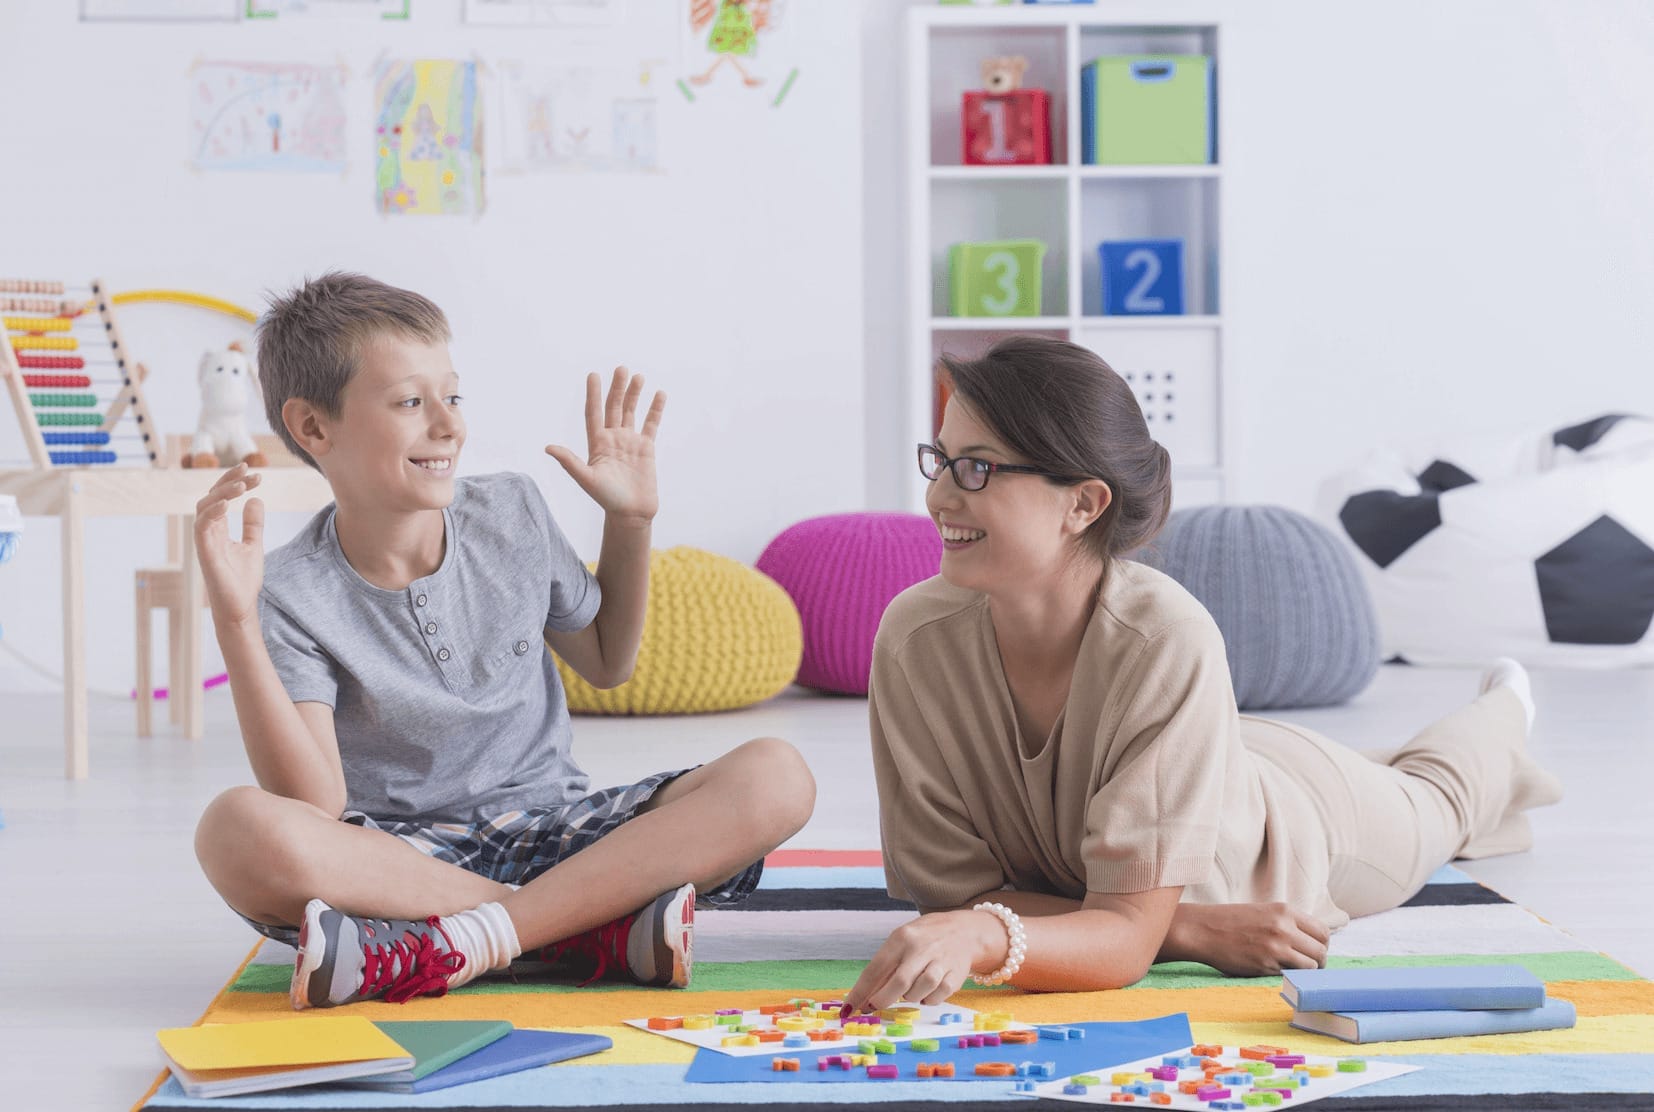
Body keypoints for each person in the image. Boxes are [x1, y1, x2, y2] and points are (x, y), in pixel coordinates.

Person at [842, 335, 1561, 1013]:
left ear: (1083, 503)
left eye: (977, 468)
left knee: (1441, 797)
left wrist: (1008, 934)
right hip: (1212, 760)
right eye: (941, 460)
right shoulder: (914, 639)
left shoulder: (1165, 638)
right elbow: (955, 899)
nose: (939, 498)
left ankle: (1506, 708)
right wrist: (1183, 929)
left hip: (1295, 823)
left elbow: (1104, 939)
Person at [191, 272, 815, 1009]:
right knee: (234, 829)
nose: (449, 426)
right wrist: (236, 624)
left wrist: (631, 522)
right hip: (400, 864)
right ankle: (580, 927)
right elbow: (315, 803)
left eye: (453, 398)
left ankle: (454, 943)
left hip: (557, 831)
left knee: (777, 775)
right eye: (410, 402)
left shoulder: (513, 508)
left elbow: (607, 661)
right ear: (313, 428)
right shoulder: (291, 591)